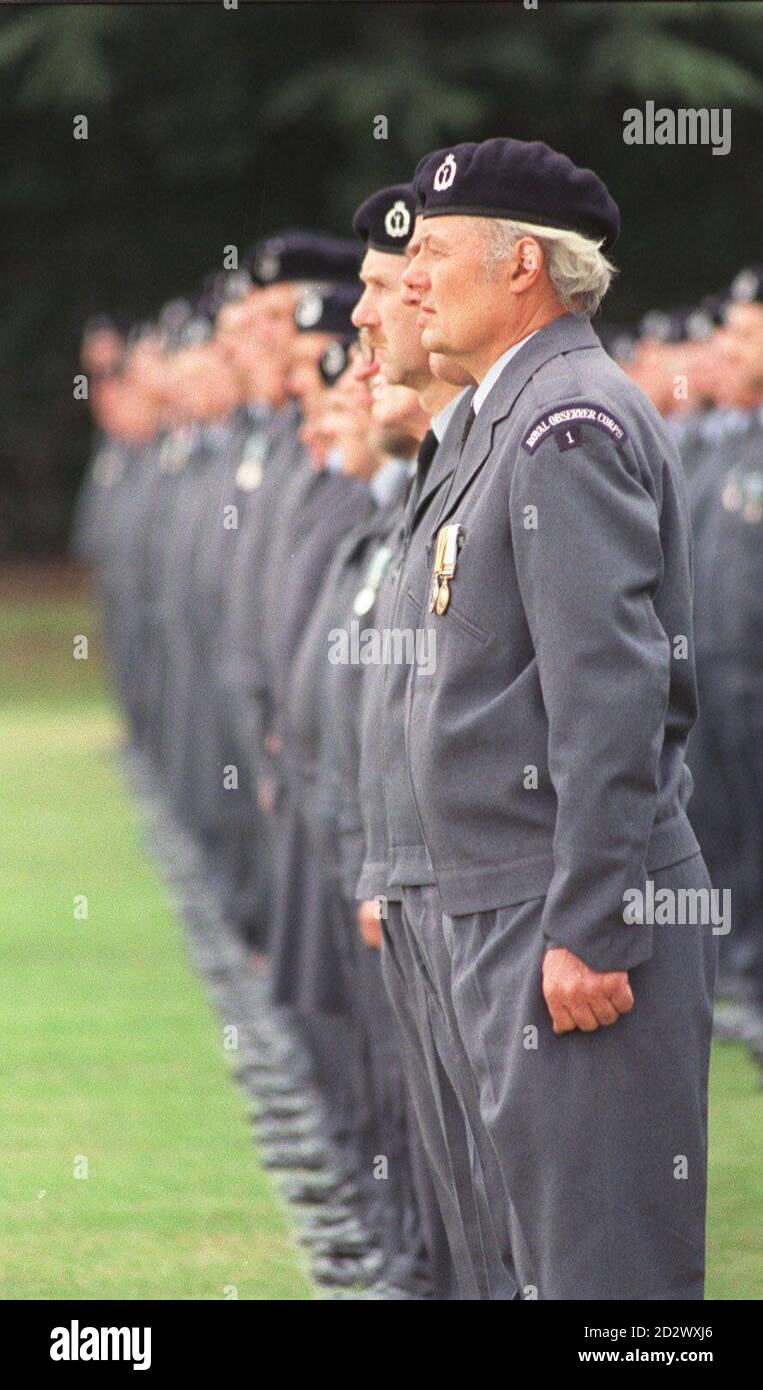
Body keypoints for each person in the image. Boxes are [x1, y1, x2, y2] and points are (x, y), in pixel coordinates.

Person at [394, 136, 716, 1300]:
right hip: (513, 902)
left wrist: (591, 919)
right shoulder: (510, 415)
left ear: (520, 262)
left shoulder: (559, 425)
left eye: (433, 252)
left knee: (604, 1281)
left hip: (562, 919)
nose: (413, 278)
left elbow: (612, 694)